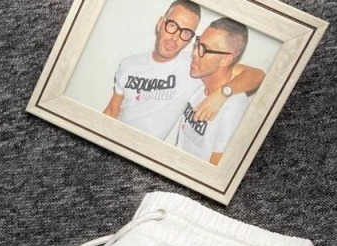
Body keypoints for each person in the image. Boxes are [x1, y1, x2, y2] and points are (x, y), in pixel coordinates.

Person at [103, 1, 263, 141]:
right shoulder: (129, 65)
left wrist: (222, 94)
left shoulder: (194, 67)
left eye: (186, 33)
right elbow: (111, 111)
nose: (175, 38)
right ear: (160, 23)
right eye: (172, 25)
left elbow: (257, 75)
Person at [176, 18, 251, 163]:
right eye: (198, 43)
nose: (194, 53)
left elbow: (216, 169)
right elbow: (256, 74)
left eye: (204, 49)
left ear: (225, 60)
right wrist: (223, 93)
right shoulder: (200, 76)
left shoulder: (234, 108)